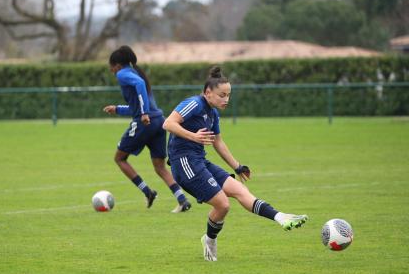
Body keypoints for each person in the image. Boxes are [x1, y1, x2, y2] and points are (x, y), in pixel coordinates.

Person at [163, 66, 308, 261]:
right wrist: (193, 136)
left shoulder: (213, 114)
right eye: (222, 95)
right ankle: (209, 240)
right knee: (223, 204)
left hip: (200, 160)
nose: (226, 100)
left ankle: (281, 217)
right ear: (208, 92)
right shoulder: (194, 103)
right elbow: (168, 123)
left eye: (228, 95)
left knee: (240, 190)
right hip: (183, 163)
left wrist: (237, 166)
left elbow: (218, 141)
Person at [103, 45, 191, 213]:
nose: (110, 70)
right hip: (158, 121)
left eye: (111, 66)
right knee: (159, 166)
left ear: (118, 65)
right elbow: (136, 106)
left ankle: (147, 192)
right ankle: (182, 200)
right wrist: (118, 109)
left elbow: (140, 89)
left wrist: (143, 113)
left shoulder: (124, 74)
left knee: (120, 158)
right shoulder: (135, 72)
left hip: (145, 123)